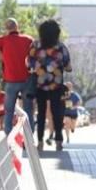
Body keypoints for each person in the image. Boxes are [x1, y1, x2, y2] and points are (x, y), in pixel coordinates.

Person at [27, 19, 71, 151]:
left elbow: (29, 63)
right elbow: (68, 67)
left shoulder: (35, 46)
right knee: (57, 113)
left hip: (39, 85)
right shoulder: (61, 47)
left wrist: (40, 68)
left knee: (40, 113)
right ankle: (58, 140)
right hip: (56, 85)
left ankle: (40, 141)